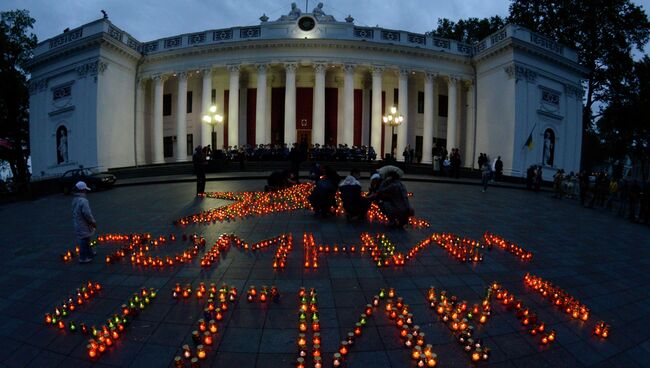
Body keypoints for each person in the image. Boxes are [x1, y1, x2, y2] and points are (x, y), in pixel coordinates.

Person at [72, 181, 97, 263]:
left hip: (78, 222)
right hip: (83, 223)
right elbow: (87, 214)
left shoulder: (75, 199)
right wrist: (92, 222)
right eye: (85, 190)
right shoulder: (83, 201)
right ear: (82, 190)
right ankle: (83, 258)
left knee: (86, 238)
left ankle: (90, 253)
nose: (86, 191)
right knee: (83, 239)